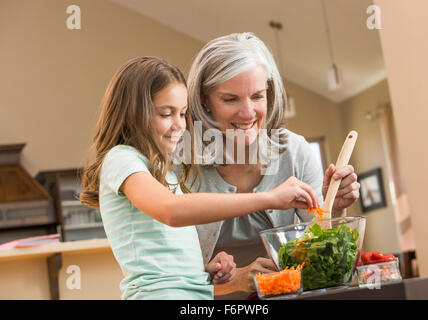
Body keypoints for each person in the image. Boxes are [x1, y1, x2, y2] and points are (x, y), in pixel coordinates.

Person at [79, 56, 320, 300]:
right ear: (133, 114)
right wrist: (269, 198)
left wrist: (204, 272)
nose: (179, 126)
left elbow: (169, 262)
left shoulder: (163, 171)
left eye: (182, 114)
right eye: (165, 114)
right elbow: (172, 211)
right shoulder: (121, 158)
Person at [185, 32, 361, 299]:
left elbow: (325, 259)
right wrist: (234, 282)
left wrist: (334, 207)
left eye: (257, 96)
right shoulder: (183, 166)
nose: (248, 113)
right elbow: (168, 280)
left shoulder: (295, 152)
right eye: (230, 99)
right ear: (204, 100)